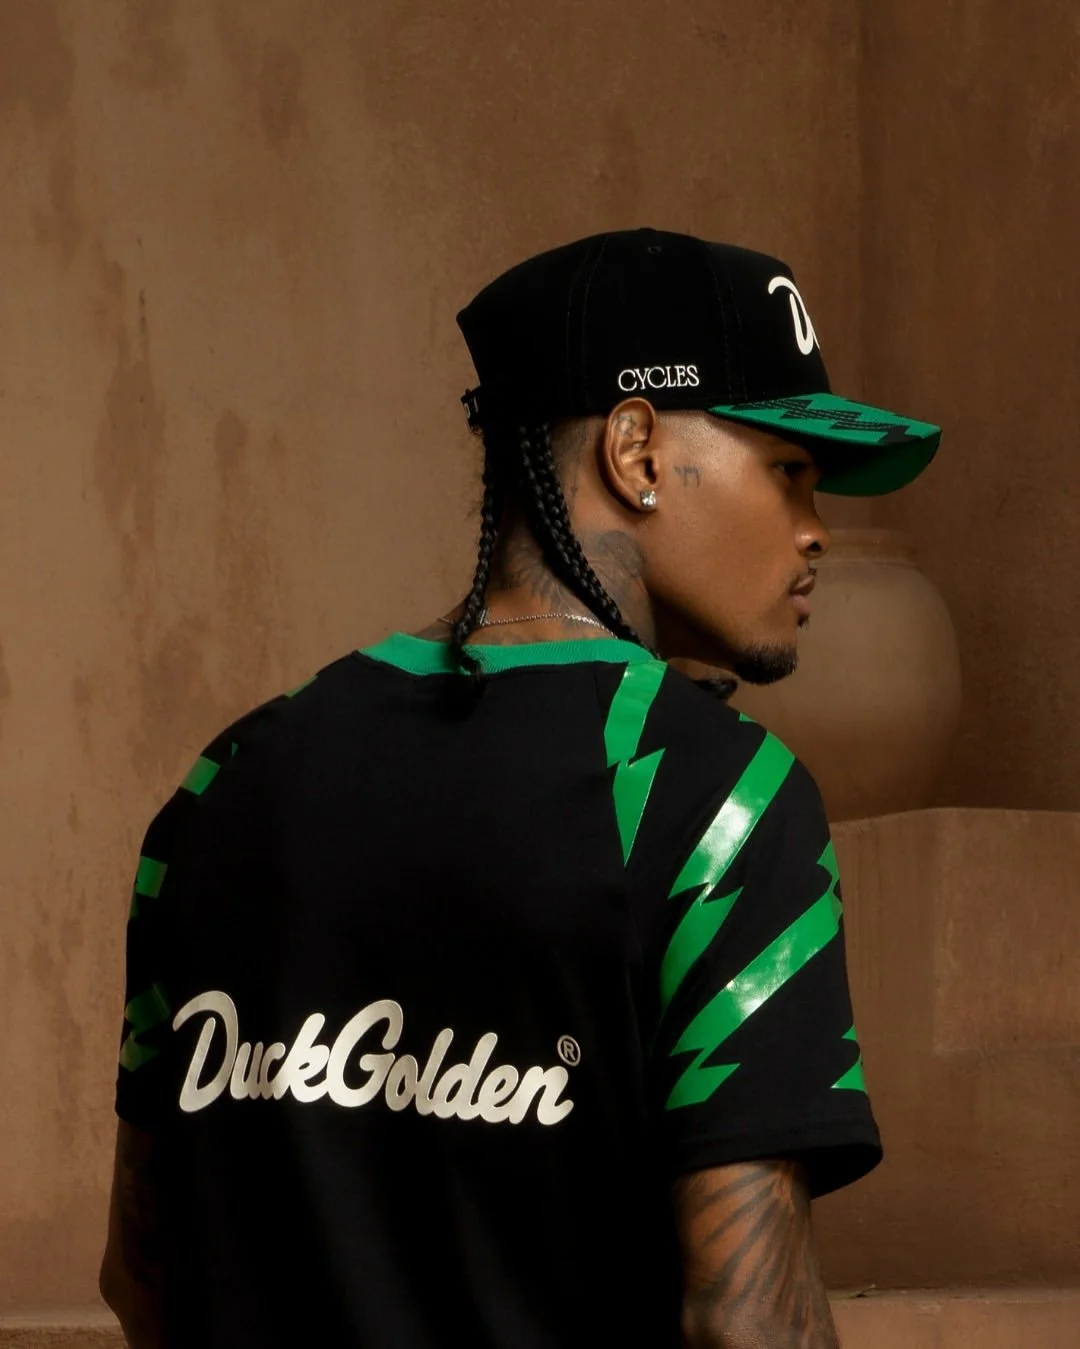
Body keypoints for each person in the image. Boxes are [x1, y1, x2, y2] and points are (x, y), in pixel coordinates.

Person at [99, 227, 941, 1348]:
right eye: (788, 469)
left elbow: (142, 1273)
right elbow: (751, 1322)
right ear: (636, 450)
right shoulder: (717, 800)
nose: (816, 530)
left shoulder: (231, 777)